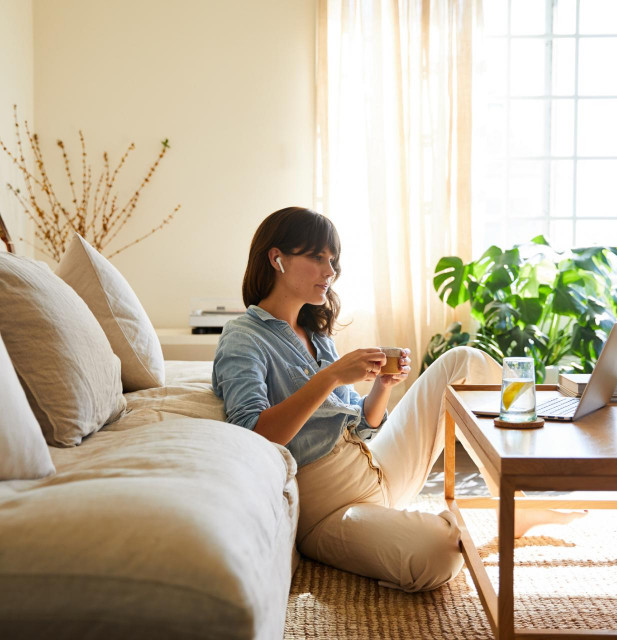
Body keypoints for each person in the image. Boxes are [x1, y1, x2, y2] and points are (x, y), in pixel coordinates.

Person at [212, 206, 585, 593]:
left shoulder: (315, 332)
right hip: (329, 508)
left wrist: (382, 387)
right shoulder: (244, 336)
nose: (330, 270)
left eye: (333, 259)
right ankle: (405, 531)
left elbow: (362, 426)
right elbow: (251, 435)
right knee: (440, 551)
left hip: (375, 465)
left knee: (463, 361)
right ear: (277, 259)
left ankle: (513, 497)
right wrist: (333, 375)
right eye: (317, 257)